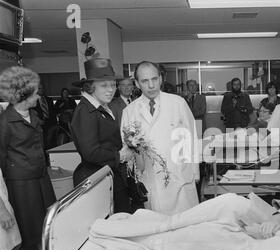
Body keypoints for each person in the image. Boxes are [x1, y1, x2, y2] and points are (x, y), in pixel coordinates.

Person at [0, 66, 56, 250]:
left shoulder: (33, 114)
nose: (39, 96)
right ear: (23, 96)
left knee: (45, 221)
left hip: (41, 177)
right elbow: (1, 158)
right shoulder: (4, 122)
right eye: (35, 93)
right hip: (20, 181)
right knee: (25, 224)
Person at [121, 61, 199, 214]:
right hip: (151, 180)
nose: (151, 85)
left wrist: (194, 173)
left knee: (186, 227)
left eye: (154, 79)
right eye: (145, 81)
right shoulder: (129, 111)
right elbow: (127, 149)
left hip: (180, 177)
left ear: (161, 79)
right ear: (137, 83)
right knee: (158, 228)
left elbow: (192, 138)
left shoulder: (178, 103)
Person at [71, 58, 131, 213]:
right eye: (104, 85)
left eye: (112, 85)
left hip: (107, 174)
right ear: (90, 88)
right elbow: (90, 152)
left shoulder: (100, 107)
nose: (110, 89)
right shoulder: (85, 111)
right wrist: (120, 155)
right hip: (95, 177)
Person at [33, 83, 57, 149]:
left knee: (51, 144)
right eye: (39, 88)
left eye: (42, 88)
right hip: (39, 125)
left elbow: (53, 112)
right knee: (42, 144)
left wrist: (55, 124)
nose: (42, 90)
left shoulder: (49, 100)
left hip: (51, 125)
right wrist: (37, 120)